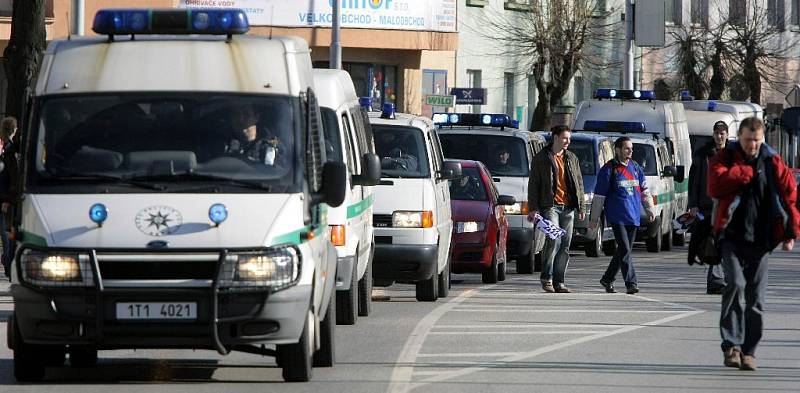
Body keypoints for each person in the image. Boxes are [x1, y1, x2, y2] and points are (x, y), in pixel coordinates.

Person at [707, 117, 799, 371]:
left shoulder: (771, 161)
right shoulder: (725, 157)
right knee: (734, 285)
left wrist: (791, 231)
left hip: (761, 241)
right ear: (740, 136)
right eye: (748, 140)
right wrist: (744, 173)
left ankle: (748, 351)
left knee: (756, 300)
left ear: (762, 139)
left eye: (757, 140)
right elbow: (715, 186)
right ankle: (731, 345)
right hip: (731, 237)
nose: (752, 145)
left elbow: (789, 195)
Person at [589, 136, 655, 295]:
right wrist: (594, 218)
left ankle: (607, 278)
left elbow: (645, 192)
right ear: (617, 150)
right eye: (627, 148)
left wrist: (649, 209)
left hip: (633, 216)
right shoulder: (608, 169)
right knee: (625, 249)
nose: (630, 151)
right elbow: (599, 197)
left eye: (631, 149)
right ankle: (631, 283)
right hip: (617, 217)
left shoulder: (636, 168)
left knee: (623, 252)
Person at [527, 125, 585, 293]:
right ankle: (547, 278)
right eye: (565, 138)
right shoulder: (541, 158)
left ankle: (560, 282)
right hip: (550, 206)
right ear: (555, 138)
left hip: (568, 208)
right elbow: (534, 185)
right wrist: (533, 208)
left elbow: (579, 183)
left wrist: (581, 206)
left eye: (569, 138)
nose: (568, 141)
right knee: (554, 240)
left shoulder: (571, 158)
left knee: (565, 245)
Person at [687, 121, 729, 294]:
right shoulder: (703, 154)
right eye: (717, 133)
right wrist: (693, 205)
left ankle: (718, 280)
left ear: (727, 134)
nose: (719, 136)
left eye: (722, 133)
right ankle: (715, 280)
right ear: (713, 134)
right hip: (707, 207)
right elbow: (694, 180)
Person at [0, 116, 18, 277]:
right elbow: (9, 175)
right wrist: (7, 198)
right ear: (14, 129)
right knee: (6, 232)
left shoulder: (4, 146)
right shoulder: (10, 149)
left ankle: (7, 260)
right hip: (4, 195)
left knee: (5, 231)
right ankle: (7, 260)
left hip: (3, 194)